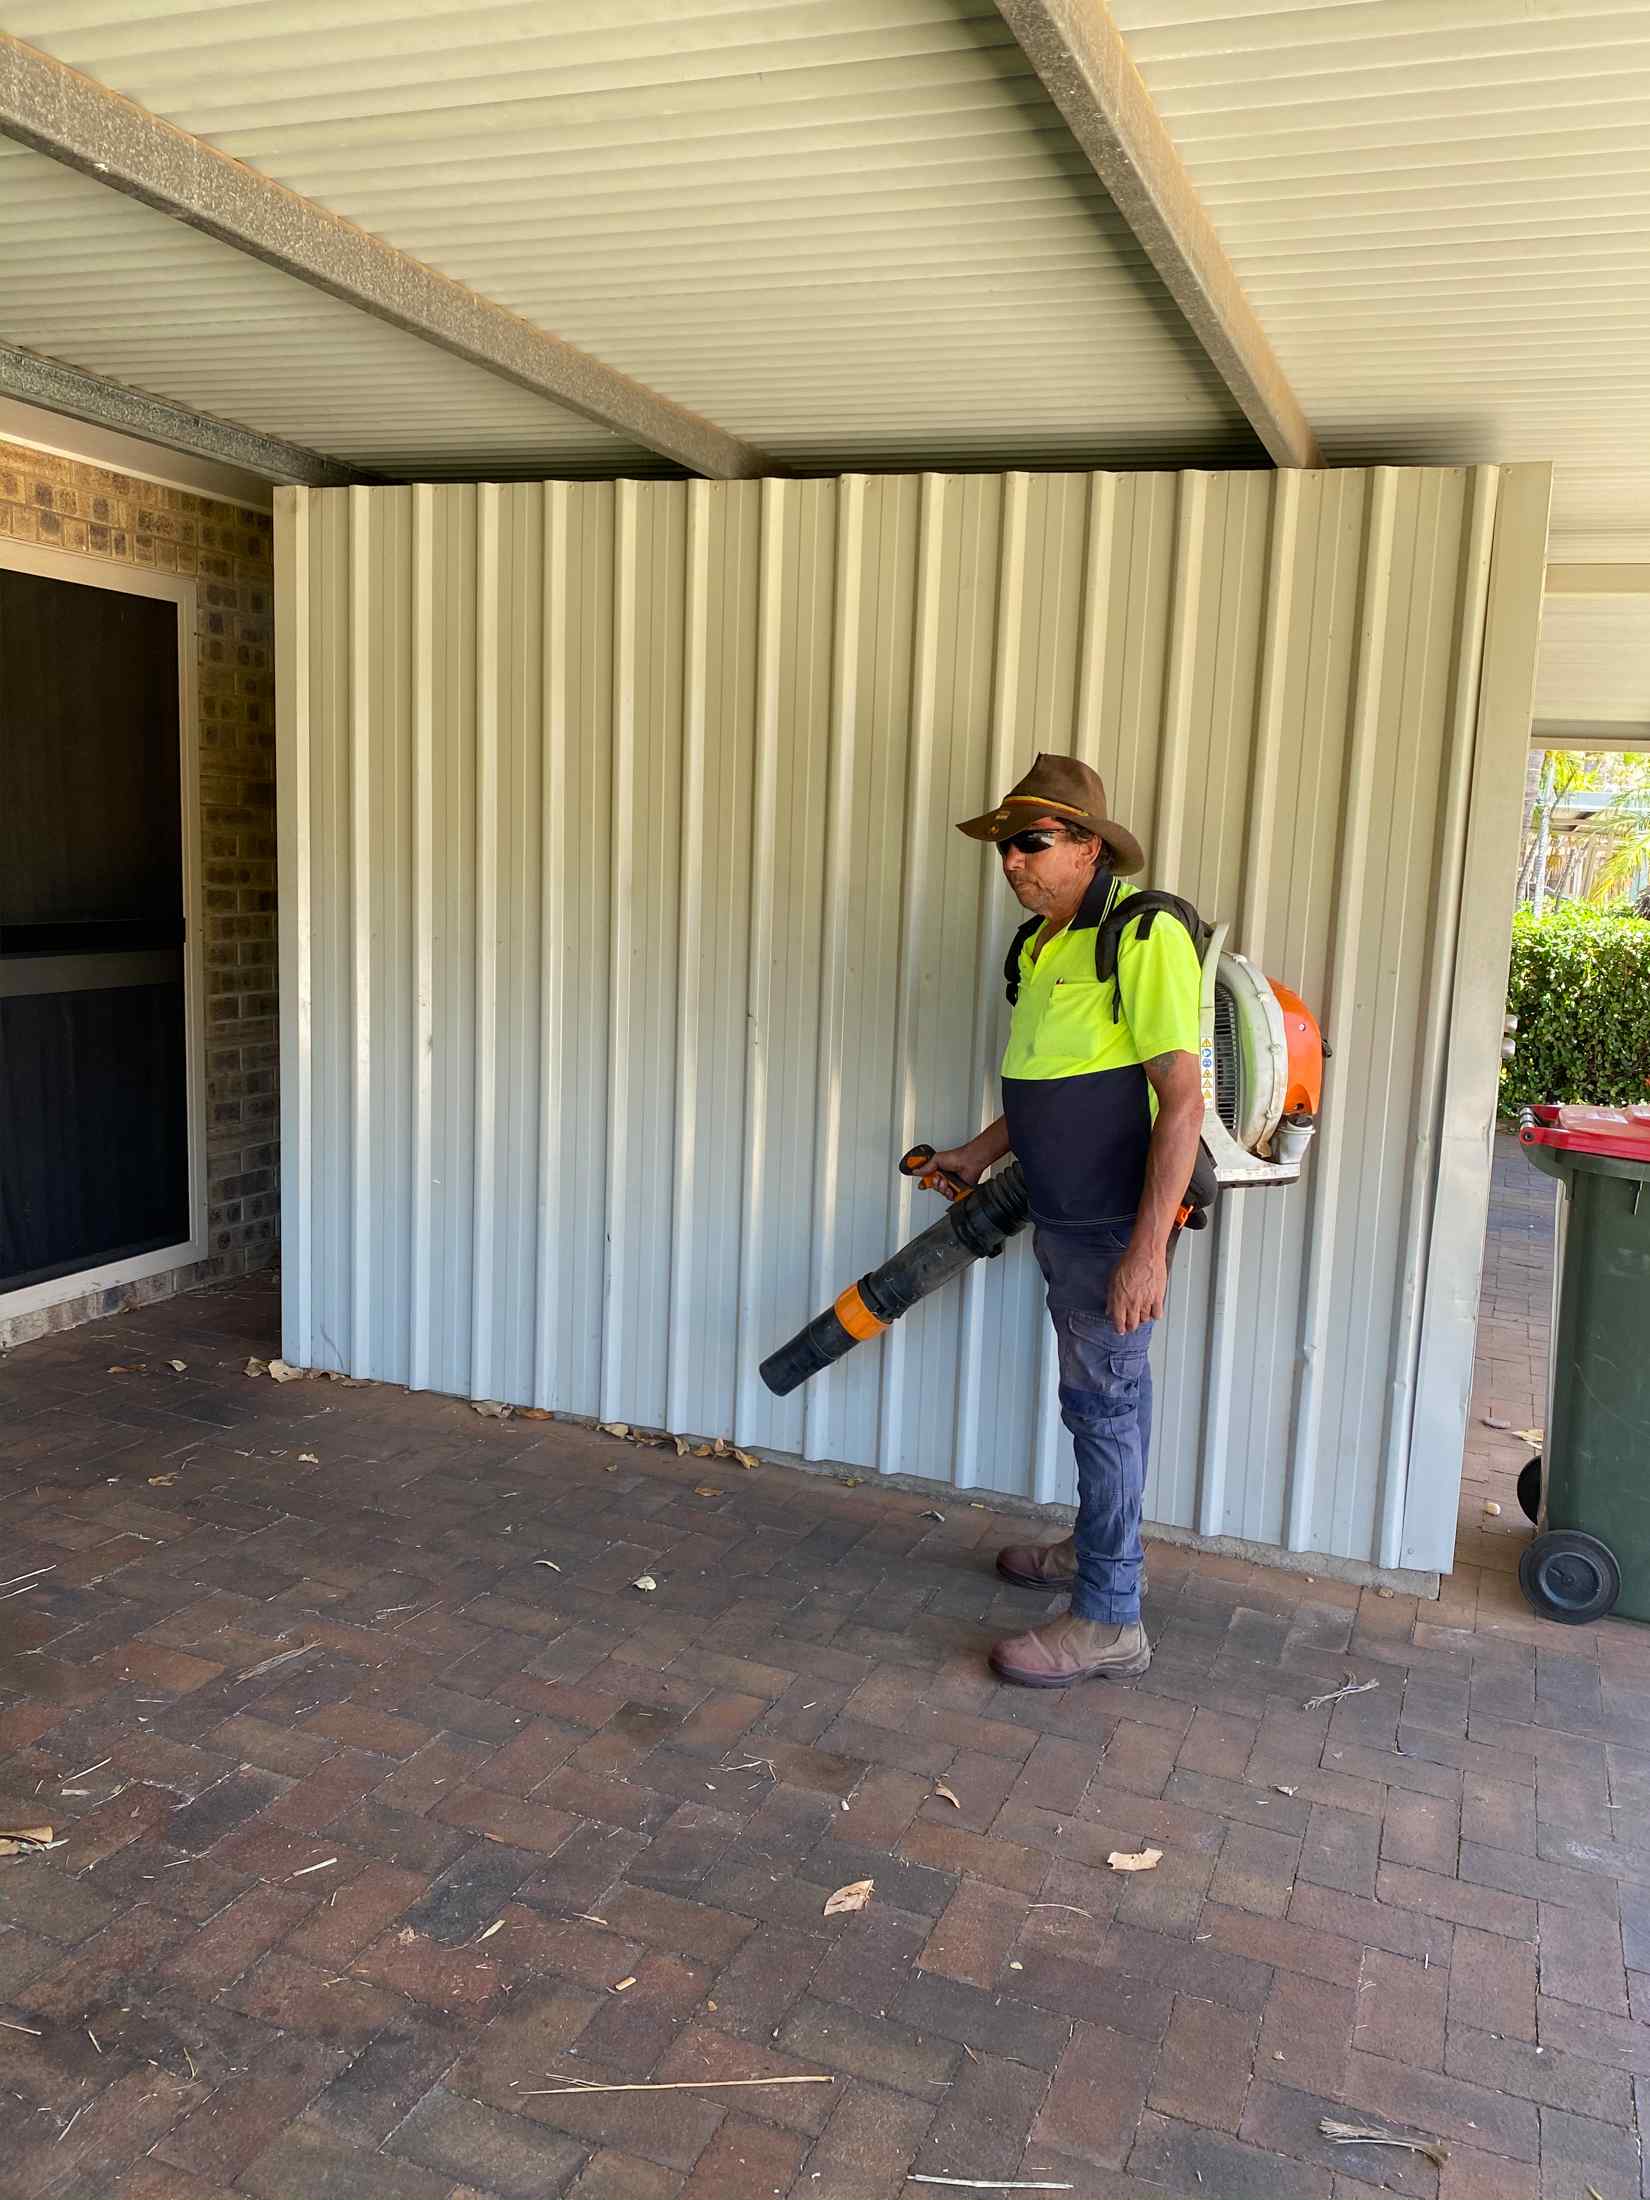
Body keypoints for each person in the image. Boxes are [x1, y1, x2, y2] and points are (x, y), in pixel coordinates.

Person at [932, 754, 1204, 1688]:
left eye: (1033, 842)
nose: (1013, 860)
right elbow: (1051, 1086)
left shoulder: (1140, 934)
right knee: (1094, 1403)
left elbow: (1180, 1100)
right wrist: (976, 1153)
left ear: (1090, 846)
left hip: (1110, 1227)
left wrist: (1146, 1252)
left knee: (1105, 1406)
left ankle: (1109, 1617)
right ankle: (1094, 1550)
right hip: (1060, 1215)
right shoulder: (1038, 947)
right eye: (1006, 845)